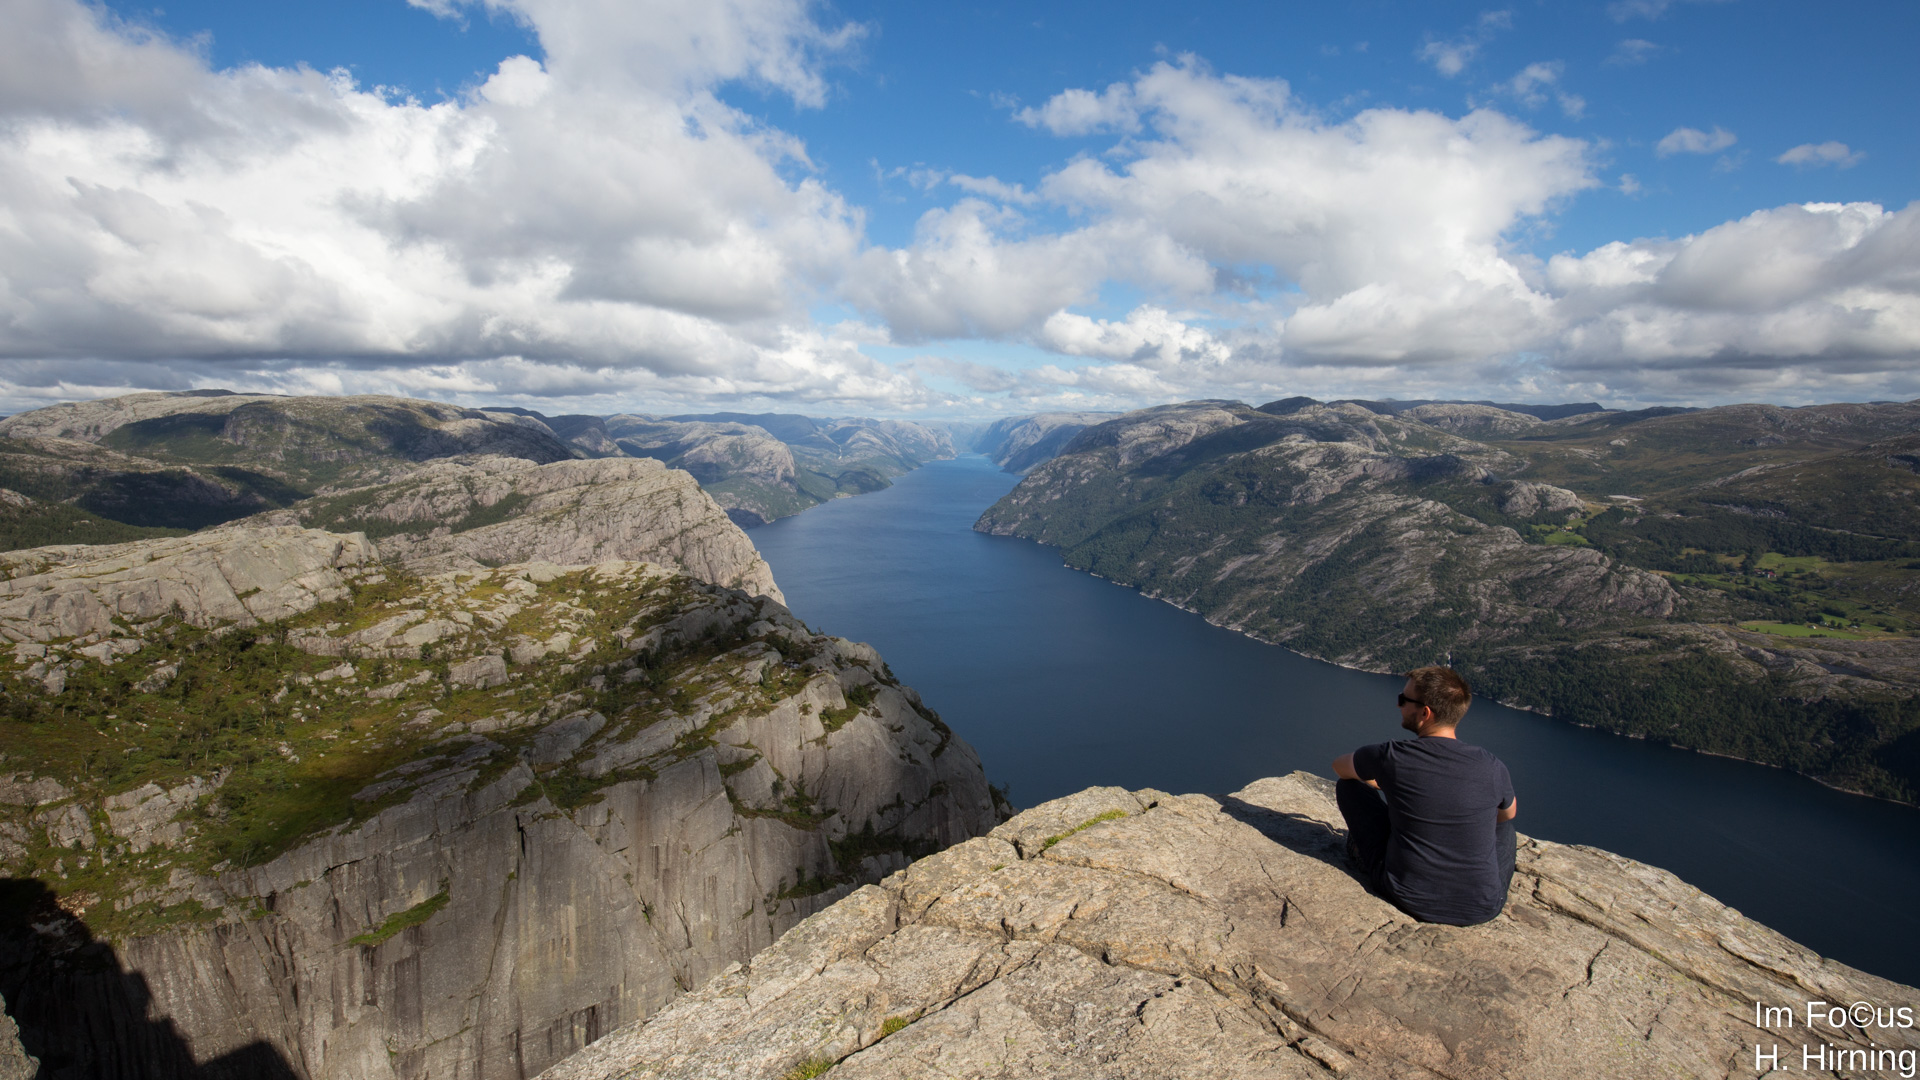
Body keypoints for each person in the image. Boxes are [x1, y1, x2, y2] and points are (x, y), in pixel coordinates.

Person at [1331, 666, 1517, 927]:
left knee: (1349, 788)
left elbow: (1340, 767)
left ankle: (1362, 856)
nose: (1398, 706)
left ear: (1425, 713)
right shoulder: (1492, 766)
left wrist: (1388, 784)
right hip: (1482, 907)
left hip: (1406, 894)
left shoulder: (1391, 756)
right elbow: (1507, 814)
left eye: (1403, 700)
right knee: (1506, 829)